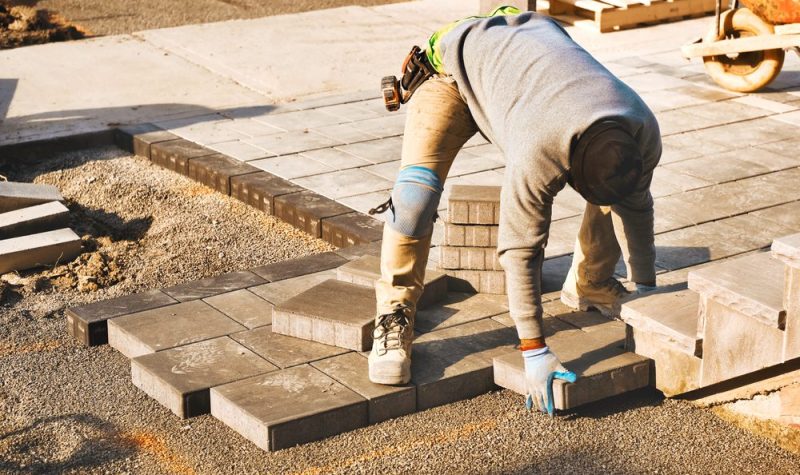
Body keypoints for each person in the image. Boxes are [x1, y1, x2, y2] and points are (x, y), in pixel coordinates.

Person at [368, 6, 660, 416]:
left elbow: (638, 208)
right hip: (451, 71)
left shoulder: (641, 128)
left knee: (619, 191)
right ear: (566, 169)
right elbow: (520, 252)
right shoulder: (540, 147)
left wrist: (647, 294)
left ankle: (591, 282)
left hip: (526, 68)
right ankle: (394, 312)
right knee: (415, 198)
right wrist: (534, 350)